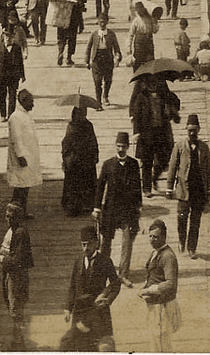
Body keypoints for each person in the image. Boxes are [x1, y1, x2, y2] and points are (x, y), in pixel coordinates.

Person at [61, 225, 122, 353]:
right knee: (78, 345)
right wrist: (68, 308)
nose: (85, 248)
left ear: (96, 243)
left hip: (98, 312)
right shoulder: (78, 261)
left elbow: (116, 284)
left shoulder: (105, 261)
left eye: (88, 244)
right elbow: (72, 286)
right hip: (79, 311)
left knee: (98, 346)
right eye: (83, 244)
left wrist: (108, 300)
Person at [94, 131, 143, 287]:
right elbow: (100, 187)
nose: (120, 149)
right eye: (118, 146)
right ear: (115, 146)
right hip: (110, 209)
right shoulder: (108, 164)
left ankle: (123, 274)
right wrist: (96, 208)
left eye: (123, 146)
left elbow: (137, 187)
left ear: (128, 147)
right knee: (106, 242)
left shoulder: (134, 164)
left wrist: (138, 206)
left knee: (127, 242)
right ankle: (102, 272)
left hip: (127, 211)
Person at [166, 114, 210, 258]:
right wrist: (169, 187)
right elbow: (173, 167)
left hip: (199, 190)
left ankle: (192, 247)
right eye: (189, 130)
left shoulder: (204, 147)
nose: (192, 133)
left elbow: (207, 169)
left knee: (195, 221)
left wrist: (209, 189)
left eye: (194, 130)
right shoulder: (179, 146)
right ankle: (181, 240)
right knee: (181, 217)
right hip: (183, 190)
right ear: (186, 130)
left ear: (198, 130)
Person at [130, 74, 181, 196]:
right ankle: (147, 188)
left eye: (155, 83)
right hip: (146, 134)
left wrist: (171, 101)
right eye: (150, 83)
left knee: (164, 159)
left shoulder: (164, 95)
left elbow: (176, 102)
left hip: (162, 132)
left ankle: (155, 177)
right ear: (146, 84)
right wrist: (136, 132)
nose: (153, 85)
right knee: (146, 161)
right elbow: (136, 116)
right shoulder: (141, 97)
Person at [0, 201, 34, 351]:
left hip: (17, 276)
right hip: (10, 274)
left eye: (11, 217)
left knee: (16, 307)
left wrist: (1, 259)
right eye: (6, 216)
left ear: (18, 218)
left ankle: (18, 343)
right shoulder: (12, 230)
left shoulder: (20, 233)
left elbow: (17, 260)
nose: (8, 219)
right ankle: (18, 339)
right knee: (13, 306)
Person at [140, 220, 181, 353]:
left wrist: (149, 290)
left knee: (163, 342)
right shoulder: (155, 252)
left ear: (164, 237)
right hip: (154, 305)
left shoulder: (168, 256)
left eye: (155, 237)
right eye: (150, 236)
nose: (152, 240)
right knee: (155, 342)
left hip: (163, 307)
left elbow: (170, 283)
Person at [6, 88, 42, 215]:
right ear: (23, 101)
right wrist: (20, 155)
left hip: (28, 155)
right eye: (31, 102)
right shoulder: (15, 117)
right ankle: (14, 211)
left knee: (25, 186)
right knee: (20, 186)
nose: (33, 104)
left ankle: (22, 211)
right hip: (21, 157)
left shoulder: (25, 115)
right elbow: (16, 138)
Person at [62, 106, 101, 216]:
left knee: (87, 182)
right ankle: (72, 207)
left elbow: (93, 141)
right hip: (74, 159)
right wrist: (66, 158)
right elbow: (66, 143)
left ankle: (87, 205)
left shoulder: (88, 125)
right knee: (73, 185)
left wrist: (95, 154)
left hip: (86, 159)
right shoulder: (71, 126)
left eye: (84, 113)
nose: (83, 116)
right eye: (80, 113)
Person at [84, 12, 122, 109]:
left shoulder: (111, 34)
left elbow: (117, 48)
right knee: (97, 81)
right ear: (97, 22)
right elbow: (88, 48)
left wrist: (117, 57)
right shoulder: (94, 34)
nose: (102, 24)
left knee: (108, 80)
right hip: (97, 60)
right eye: (100, 22)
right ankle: (98, 101)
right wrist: (86, 61)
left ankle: (105, 96)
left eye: (104, 22)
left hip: (108, 59)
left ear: (107, 22)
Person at [0, 25, 26, 120]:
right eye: (6, 37)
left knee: (12, 96)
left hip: (13, 76)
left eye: (10, 37)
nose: (8, 39)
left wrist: (22, 75)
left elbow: (20, 63)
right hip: (1, 76)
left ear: (13, 38)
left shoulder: (17, 48)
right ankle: (3, 115)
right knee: (2, 96)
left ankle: (11, 115)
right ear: (3, 38)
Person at [128, 0, 158, 67]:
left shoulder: (150, 19)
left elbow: (154, 31)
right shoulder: (136, 20)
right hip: (139, 43)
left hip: (149, 41)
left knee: (150, 62)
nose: (140, 11)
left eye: (141, 9)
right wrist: (128, 48)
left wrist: (155, 22)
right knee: (138, 61)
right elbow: (130, 34)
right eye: (138, 10)